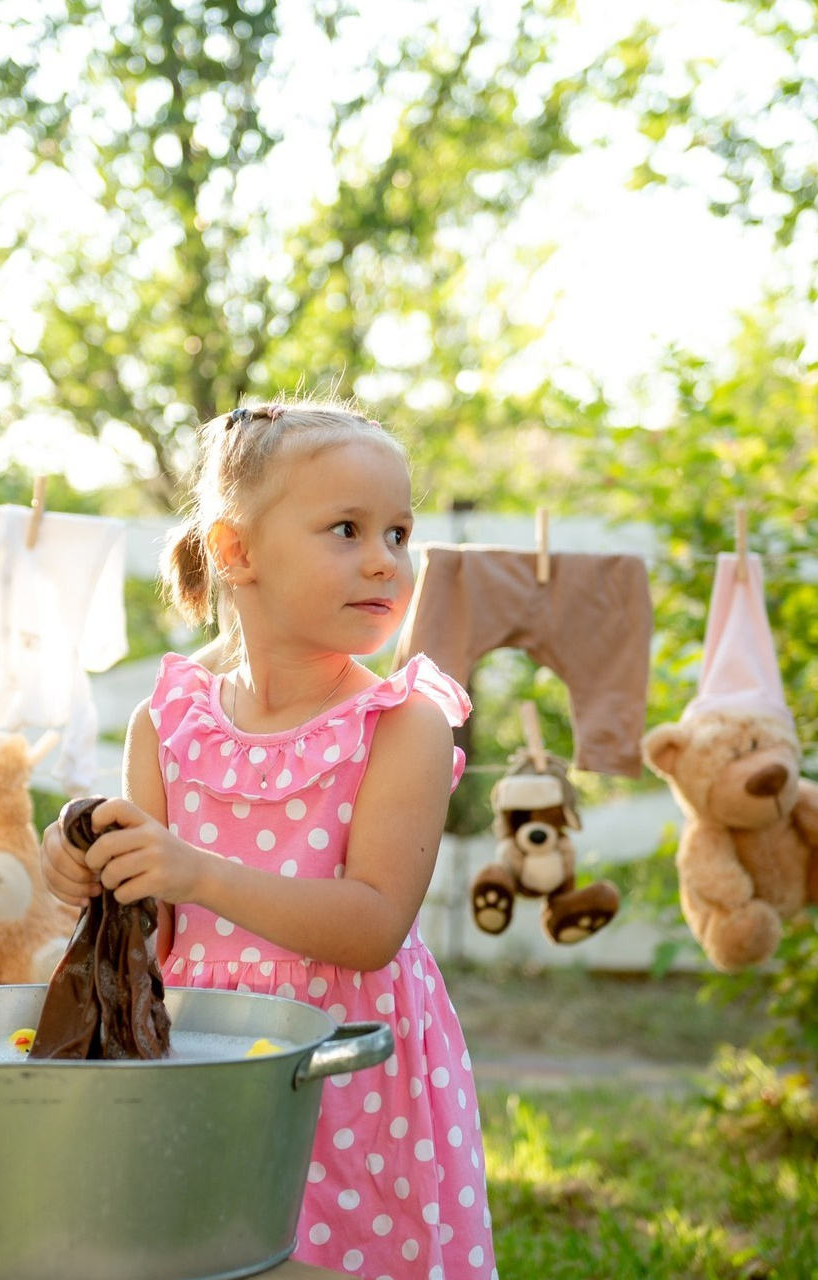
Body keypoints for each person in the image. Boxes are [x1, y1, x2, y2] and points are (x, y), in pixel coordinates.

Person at [41, 400, 497, 1280]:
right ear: (237, 550)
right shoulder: (167, 723)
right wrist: (92, 870)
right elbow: (158, 929)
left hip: (348, 1069)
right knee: (206, 1255)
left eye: (399, 532)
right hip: (205, 1054)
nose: (384, 560)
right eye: (346, 529)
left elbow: (373, 925)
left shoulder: (401, 724)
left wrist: (199, 872)